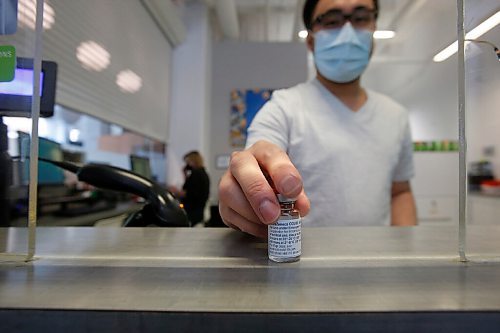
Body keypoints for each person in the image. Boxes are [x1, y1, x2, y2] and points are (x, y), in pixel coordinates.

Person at [218, 0, 417, 238]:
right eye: (332, 21)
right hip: (303, 267)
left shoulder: (395, 115)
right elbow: (258, 156)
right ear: (311, 41)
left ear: (374, 27)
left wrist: (405, 251)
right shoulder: (283, 108)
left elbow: (400, 191)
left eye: (361, 17)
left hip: (378, 264)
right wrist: (245, 186)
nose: (348, 31)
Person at [169, 151, 210, 226]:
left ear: (194, 161)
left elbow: (190, 193)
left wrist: (175, 191)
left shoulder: (196, 174)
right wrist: (185, 175)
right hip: (198, 212)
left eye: (188, 162)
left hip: (192, 212)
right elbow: (191, 187)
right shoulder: (203, 173)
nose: (187, 164)